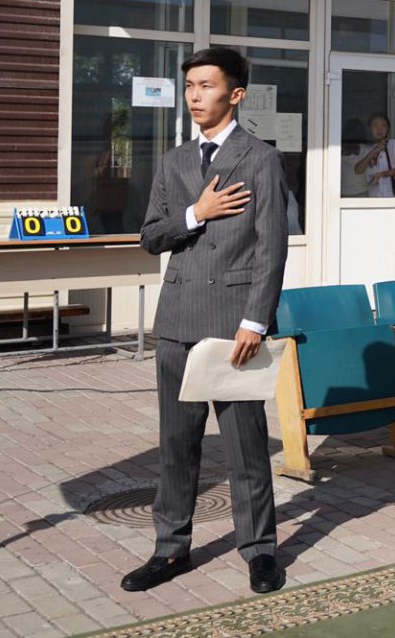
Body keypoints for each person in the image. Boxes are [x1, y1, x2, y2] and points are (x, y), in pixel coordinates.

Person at [125, 47, 289, 595]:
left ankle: (260, 550)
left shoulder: (261, 159)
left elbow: (271, 249)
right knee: (176, 446)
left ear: (235, 94)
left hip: (232, 326)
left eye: (206, 86)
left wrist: (255, 322)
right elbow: (151, 237)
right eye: (190, 86)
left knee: (246, 447)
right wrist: (197, 213)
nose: (195, 96)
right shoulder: (174, 161)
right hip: (177, 321)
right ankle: (170, 549)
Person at [353, 113, 395, 197]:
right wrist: (374, 151)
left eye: (383, 126)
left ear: (388, 129)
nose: (379, 129)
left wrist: (381, 175)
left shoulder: (393, 145)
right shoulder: (367, 149)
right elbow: (358, 170)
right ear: (370, 128)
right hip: (374, 196)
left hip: (392, 197)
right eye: (375, 125)